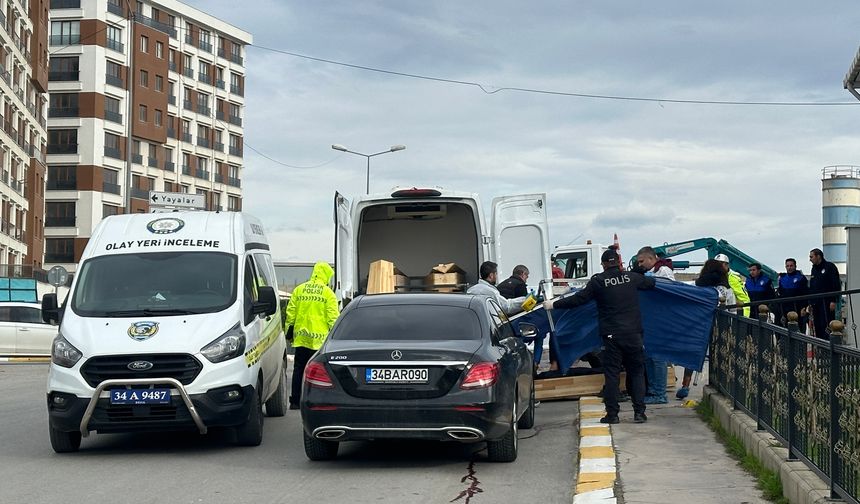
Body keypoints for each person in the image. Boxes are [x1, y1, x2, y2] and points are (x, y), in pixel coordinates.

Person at [544, 248, 655, 424]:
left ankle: (612, 415)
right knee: (637, 373)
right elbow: (651, 284)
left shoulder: (598, 281)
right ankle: (639, 413)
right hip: (634, 334)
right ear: (619, 263)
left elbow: (578, 299)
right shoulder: (632, 278)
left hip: (612, 336)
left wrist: (554, 304)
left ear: (603, 265)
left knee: (612, 375)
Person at [674, 259, 738, 399]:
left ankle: (685, 385)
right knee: (720, 355)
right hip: (719, 327)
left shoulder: (699, 286)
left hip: (699, 325)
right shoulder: (726, 289)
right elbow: (731, 310)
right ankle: (723, 384)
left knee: (692, 355)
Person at [284, 262, 340, 410]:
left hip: (302, 339)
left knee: (299, 370)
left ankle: (295, 401)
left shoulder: (299, 290)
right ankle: (317, 402)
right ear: (326, 275)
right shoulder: (328, 293)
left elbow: (290, 315)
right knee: (320, 374)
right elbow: (333, 319)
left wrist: (288, 333)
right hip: (320, 342)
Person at [635, 246, 674, 405]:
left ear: (651, 259)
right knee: (649, 356)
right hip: (653, 320)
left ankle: (659, 393)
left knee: (657, 358)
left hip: (661, 320)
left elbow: (667, 292)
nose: (640, 265)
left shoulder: (663, 271)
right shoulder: (652, 272)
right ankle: (653, 390)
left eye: (642, 261)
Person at [807, 248, 841, 339]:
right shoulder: (814, 269)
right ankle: (820, 349)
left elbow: (836, 284)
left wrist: (833, 300)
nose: (810, 259)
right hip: (816, 303)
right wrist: (810, 302)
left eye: (811, 257)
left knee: (826, 325)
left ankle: (828, 348)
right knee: (818, 326)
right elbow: (813, 286)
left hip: (827, 302)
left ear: (818, 256)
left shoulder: (830, 267)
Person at [777, 258, 809, 330]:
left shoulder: (801, 278)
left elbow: (805, 293)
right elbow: (780, 293)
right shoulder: (782, 278)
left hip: (798, 307)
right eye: (787, 266)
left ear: (795, 266)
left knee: (799, 328)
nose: (789, 268)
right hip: (785, 308)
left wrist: (804, 307)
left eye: (791, 266)